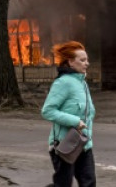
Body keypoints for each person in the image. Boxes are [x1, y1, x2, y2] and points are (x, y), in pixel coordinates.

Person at [41, 41, 96, 187]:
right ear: (70, 62)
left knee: (89, 183)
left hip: (84, 144)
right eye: (82, 60)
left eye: (87, 60)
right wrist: (75, 121)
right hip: (64, 145)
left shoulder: (82, 84)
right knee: (63, 184)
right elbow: (47, 111)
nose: (87, 63)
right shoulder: (63, 83)